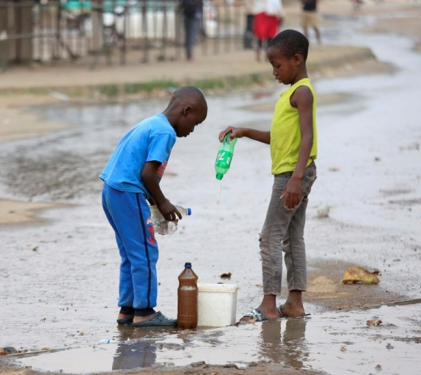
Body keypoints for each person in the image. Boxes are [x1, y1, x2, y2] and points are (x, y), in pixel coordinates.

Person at [218, 29, 317, 321]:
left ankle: (269, 304)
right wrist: (244, 132)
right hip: (297, 173)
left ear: (296, 60)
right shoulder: (292, 93)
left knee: (269, 237)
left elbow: (308, 137)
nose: (274, 71)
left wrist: (296, 179)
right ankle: (295, 304)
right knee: (291, 237)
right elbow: (280, 138)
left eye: (278, 65)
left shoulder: (302, 92)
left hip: (292, 175)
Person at [100, 86, 208, 327]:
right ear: (186, 111)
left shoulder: (151, 123)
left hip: (111, 192)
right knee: (146, 253)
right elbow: (148, 174)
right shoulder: (165, 133)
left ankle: (127, 309)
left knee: (130, 253)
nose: (192, 129)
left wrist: (152, 198)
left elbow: (135, 167)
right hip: (127, 193)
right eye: (195, 123)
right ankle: (146, 311)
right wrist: (162, 202)